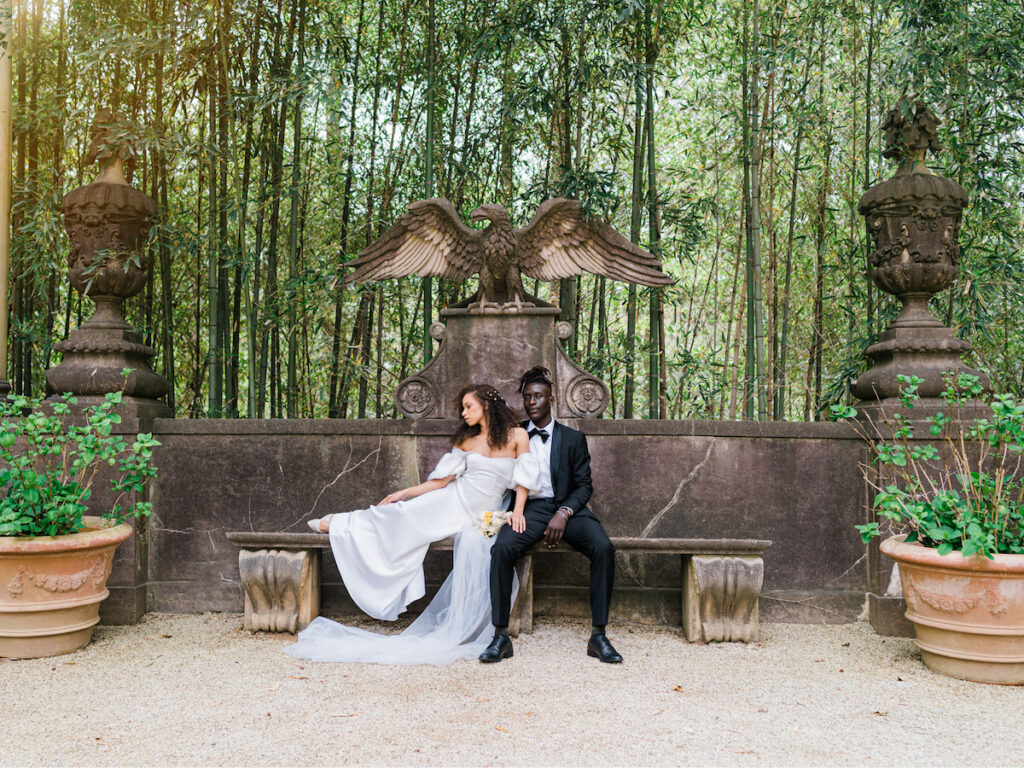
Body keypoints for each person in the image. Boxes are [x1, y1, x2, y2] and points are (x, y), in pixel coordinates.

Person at [286, 384, 540, 665]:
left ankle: (476, 624)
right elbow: (441, 482)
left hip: (489, 514)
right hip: (452, 501)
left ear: (487, 405)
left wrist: (517, 511)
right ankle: (343, 524)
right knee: (403, 514)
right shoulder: (466, 441)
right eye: (463, 408)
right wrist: (403, 493)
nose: (464, 413)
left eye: (469, 406)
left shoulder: (517, 435)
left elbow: (523, 480)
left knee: (474, 540)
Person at [481, 366, 623, 664]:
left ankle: (599, 635)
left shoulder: (573, 438)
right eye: (527, 397)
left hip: (567, 509)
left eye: (538, 397)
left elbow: (584, 485)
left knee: (603, 548)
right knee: (502, 549)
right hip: (529, 509)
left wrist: (565, 511)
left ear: (552, 399)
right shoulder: (514, 434)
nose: (532, 402)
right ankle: (500, 636)